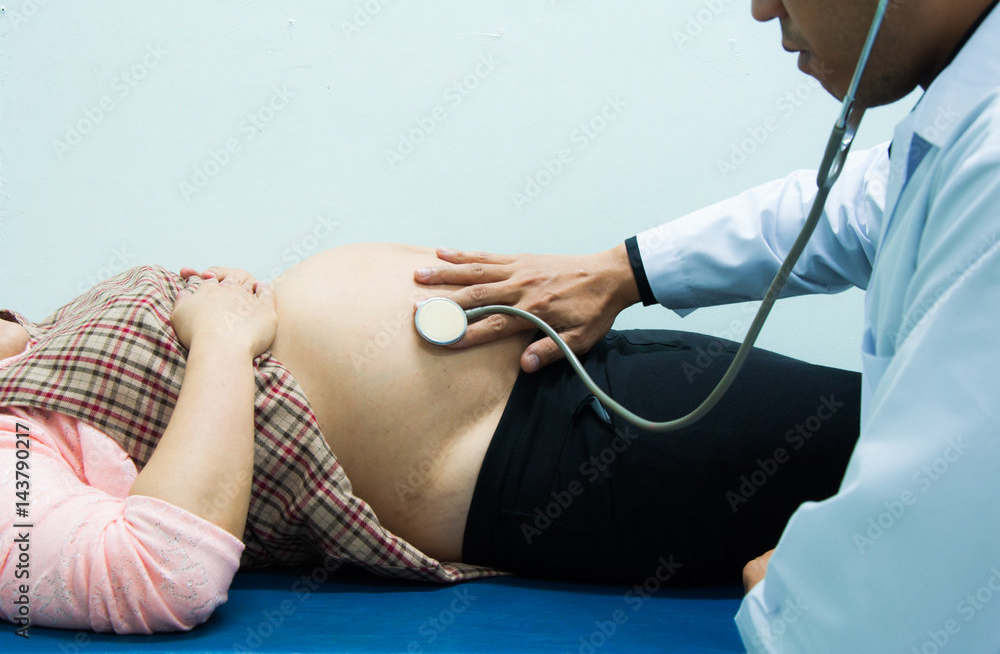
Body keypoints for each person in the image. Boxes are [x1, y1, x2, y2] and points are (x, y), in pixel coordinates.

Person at [413, 0, 1000, 650]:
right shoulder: (962, 121)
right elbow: (860, 206)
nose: (762, 5)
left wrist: (797, 598)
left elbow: (905, 594)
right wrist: (625, 269)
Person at [1, 243, 862, 634]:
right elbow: (157, 574)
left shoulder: (39, 346)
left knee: (932, 439)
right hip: (554, 460)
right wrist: (224, 338)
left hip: (575, 375)